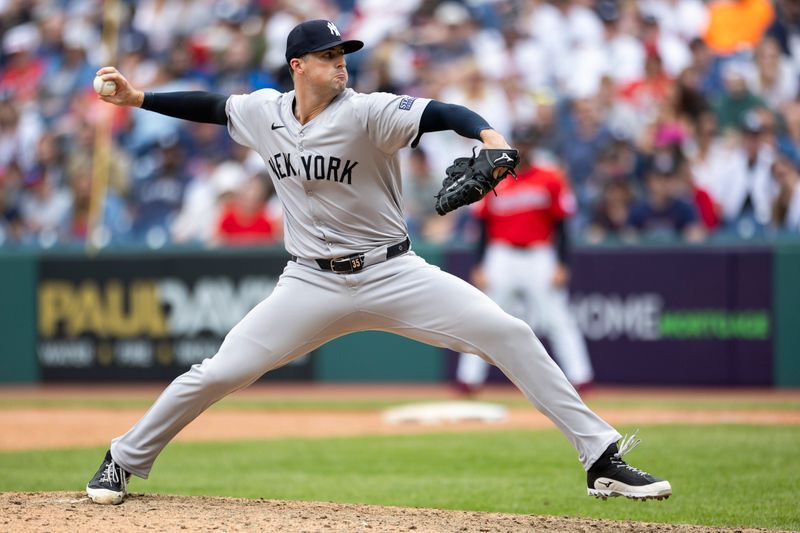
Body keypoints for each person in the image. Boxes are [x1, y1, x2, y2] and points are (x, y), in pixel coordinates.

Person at [85, 19, 671, 506]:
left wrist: (491, 138)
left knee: (509, 332)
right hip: (309, 281)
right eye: (327, 55)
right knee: (218, 373)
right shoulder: (265, 112)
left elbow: (444, 111)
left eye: (343, 54)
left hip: (394, 272)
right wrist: (138, 99)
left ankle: (601, 458)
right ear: (297, 66)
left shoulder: (369, 111)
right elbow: (213, 106)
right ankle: (123, 457)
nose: (341, 64)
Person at [455, 127, 594, 394]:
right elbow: (482, 227)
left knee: (557, 318)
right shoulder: (493, 176)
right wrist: (479, 264)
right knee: (485, 316)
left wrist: (563, 264)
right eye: (519, 143)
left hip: (539, 255)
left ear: (535, 146)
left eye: (528, 143)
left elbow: (563, 225)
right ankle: (468, 379)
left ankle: (581, 377)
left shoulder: (550, 178)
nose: (523, 148)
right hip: (501, 255)